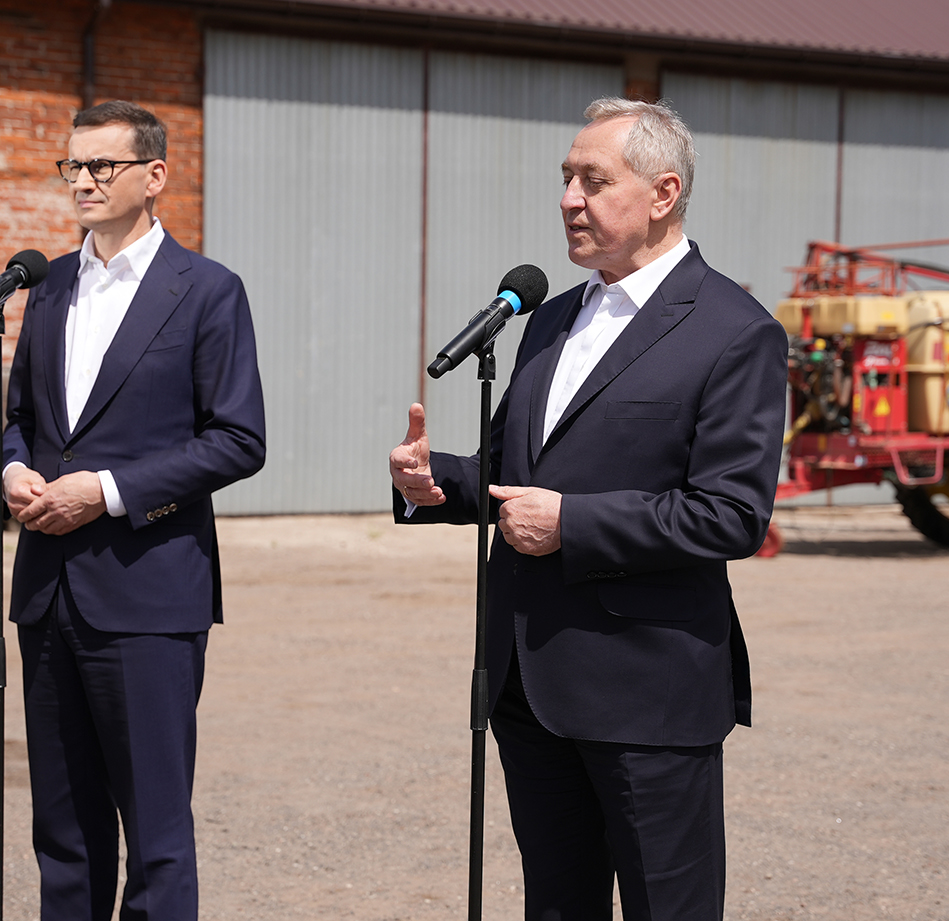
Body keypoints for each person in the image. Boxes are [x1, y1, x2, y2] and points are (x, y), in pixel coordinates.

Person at [388, 97, 787, 920]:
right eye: (566, 178)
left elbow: (730, 513)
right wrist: (436, 482)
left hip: (648, 693)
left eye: (593, 180)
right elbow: (516, 475)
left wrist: (571, 522)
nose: (569, 197)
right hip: (528, 684)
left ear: (663, 192)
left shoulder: (733, 330)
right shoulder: (553, 315)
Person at [1, 100, 265, 921]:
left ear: (154, 176)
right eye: (71, 166)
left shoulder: (208, 291)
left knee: (154, 830)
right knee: (64, 831)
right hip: (48, 593)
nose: (81, 180)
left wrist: (107, 491)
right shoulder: (46, 288)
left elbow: (237, 439)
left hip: (149, 592)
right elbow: (21, 416)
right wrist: (13, 466)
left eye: (99, 166)